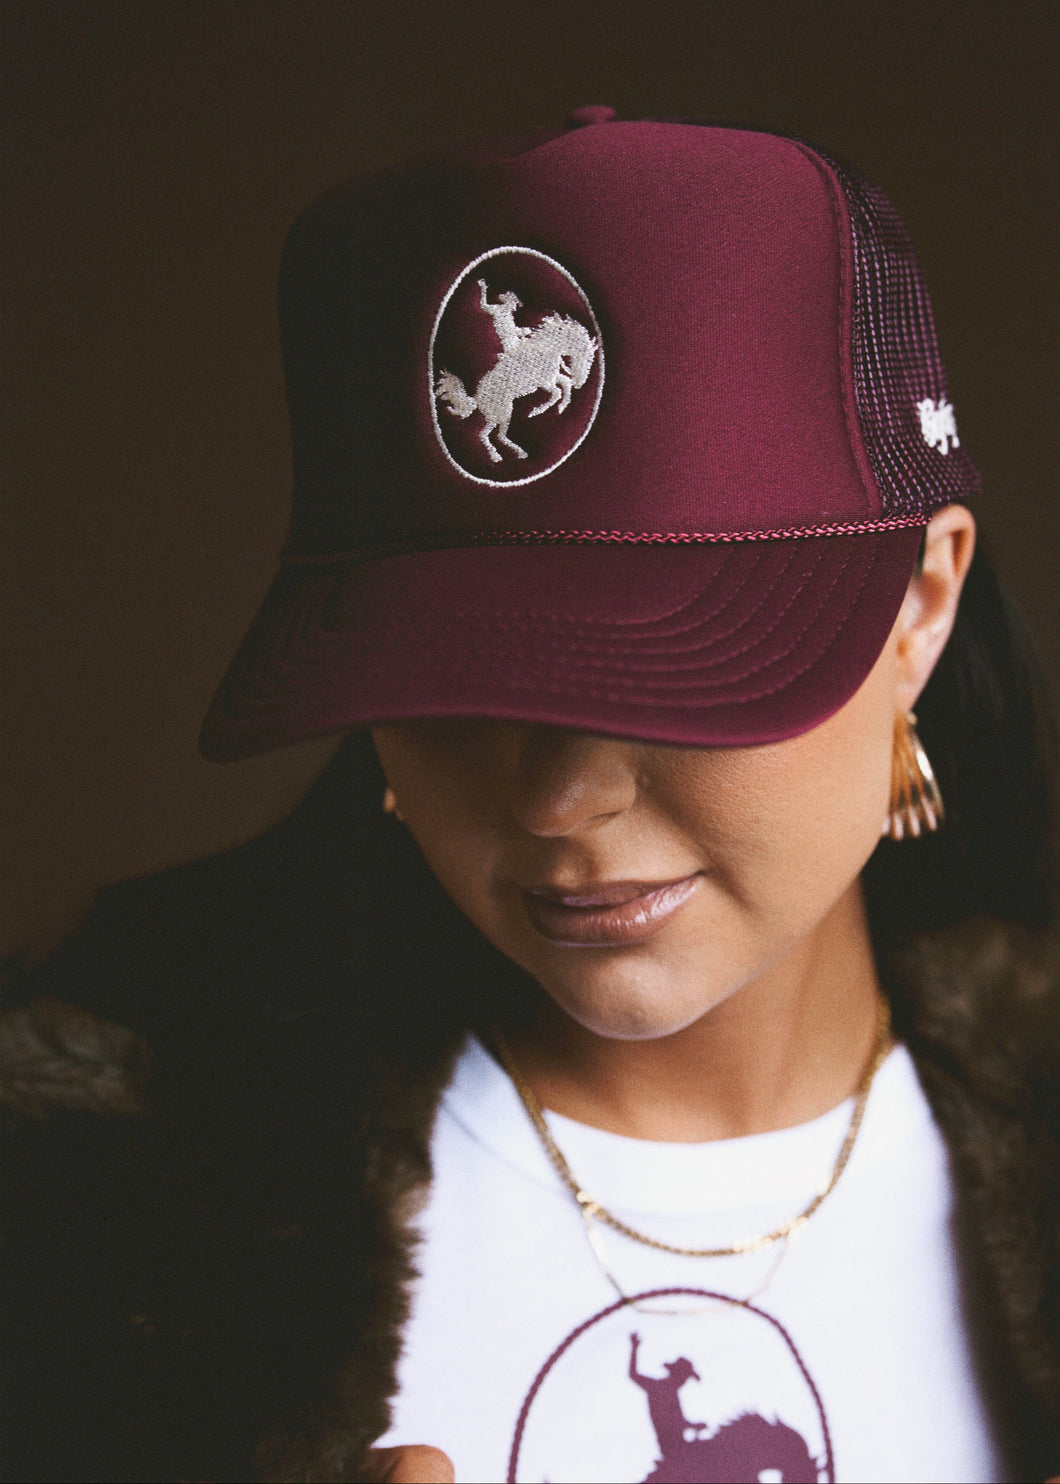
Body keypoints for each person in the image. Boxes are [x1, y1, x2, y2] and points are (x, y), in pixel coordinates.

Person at [3, 109, 1058, 1484]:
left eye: (681, 675)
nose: (560, 797)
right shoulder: (87, 1188)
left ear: (921, 604)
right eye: (453, 684)